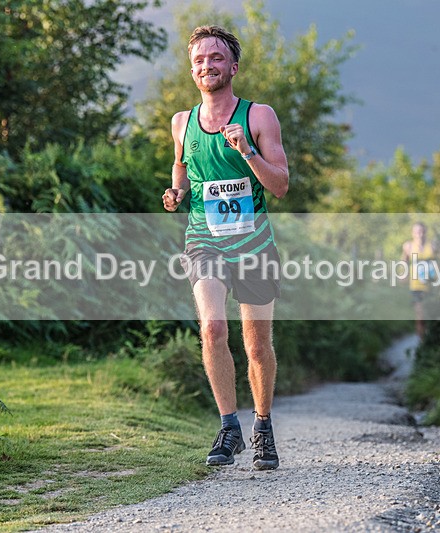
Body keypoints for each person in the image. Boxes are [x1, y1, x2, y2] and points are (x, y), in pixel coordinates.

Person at [161, 25, 289, 470]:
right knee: (214, 329)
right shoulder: (182, 122)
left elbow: (281, 185)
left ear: (233, 67)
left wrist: (247, 151)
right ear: (191, 71)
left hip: (254, 244)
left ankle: (263, 427)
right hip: (204, 241)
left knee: (257, 347)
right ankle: (228, 427)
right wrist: (177, 193)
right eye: (199, 59)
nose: (207, 65)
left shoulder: (259, 116)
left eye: (216, 58)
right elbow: (181, 167)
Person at [401, 222, 438, 339]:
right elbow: (404, 261)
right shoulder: (408, 246)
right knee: (420, 314)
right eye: (417, 232)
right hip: (416, 285)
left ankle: (432, 339)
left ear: (425, 232)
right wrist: (403, 274)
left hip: (432, 285)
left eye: (421, 232)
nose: (419, 234)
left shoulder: (432, 246)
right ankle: (422, 340)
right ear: (412, 233)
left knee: (430, 314)